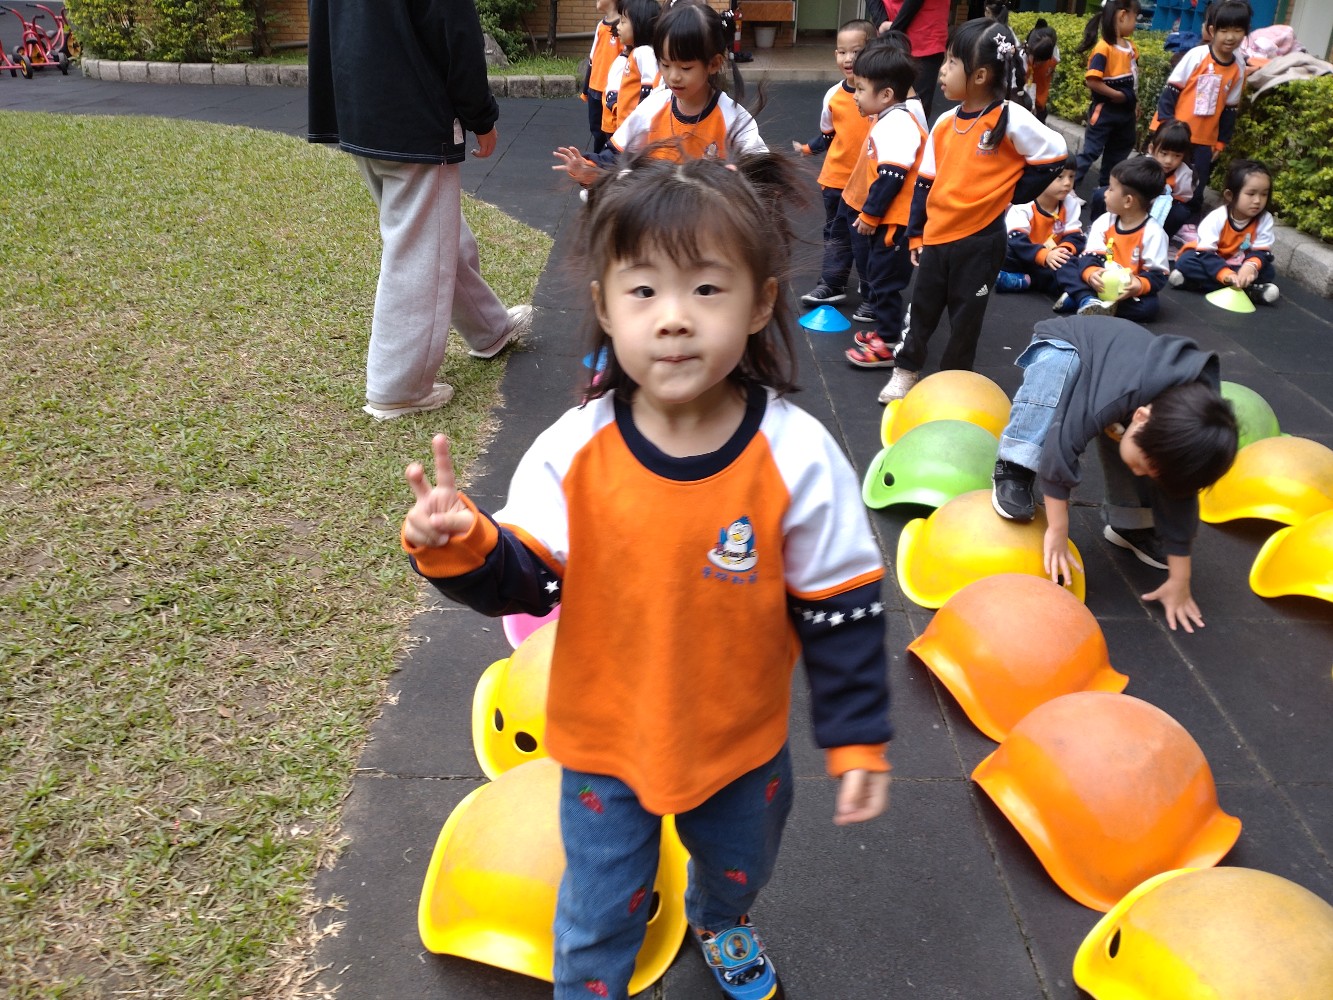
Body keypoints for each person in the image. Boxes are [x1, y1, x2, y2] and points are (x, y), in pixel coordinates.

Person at [399, 152, 892, 1000]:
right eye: (643, 291)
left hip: (740, 743)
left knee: (740, 866)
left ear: (759, 303)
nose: (673, 319)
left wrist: (854, 736)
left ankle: (720, 918)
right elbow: (527, 581)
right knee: (596, 911)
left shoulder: (798, 456)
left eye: (706, 289)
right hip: (606, 741)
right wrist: (461, 543)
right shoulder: (575, 448)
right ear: (604, 307)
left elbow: (840, 607)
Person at [307, 0, 532, 420]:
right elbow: (453, 28)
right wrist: (481, 116)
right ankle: (397, 388)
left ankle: (490, 329)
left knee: (434, 234)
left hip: (357, 104)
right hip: (413, 110)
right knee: (419, 248)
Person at [990, 316, 1238, 633]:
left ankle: (1131, 524)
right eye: (1143, 467)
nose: (1141, 473)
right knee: (1059, 371)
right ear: (1141, 417)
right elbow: (1061, 446)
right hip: (1071, 345)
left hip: (1124, 387)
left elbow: (1180, 496)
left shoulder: (1188, 428)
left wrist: (1180, 579)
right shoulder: (1118, 395)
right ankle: (1015, 465)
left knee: (1139, 453)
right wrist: (1058, 530)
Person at [878, 18, 1067, 403]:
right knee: (923, 309)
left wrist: (1013, 192)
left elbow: (1054, 154)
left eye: (951, 62)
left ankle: (953, 383)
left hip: (982, 241)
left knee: (966, 319)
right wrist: (916, 233)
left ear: (980, 75)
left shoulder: (1010, 118)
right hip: (938, 237)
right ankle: (906, 368)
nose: (941, 71)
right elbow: (925, 183)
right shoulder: (945, 123)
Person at [553, 2, 764, 185]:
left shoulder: (733, 118)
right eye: (665, 65)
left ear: (714, 64)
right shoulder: (652, 108)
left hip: (708, 216)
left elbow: (763, 170)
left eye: (685, 68)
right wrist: (588, 169)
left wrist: (741, 177)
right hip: (655, 213)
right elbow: (616, 155)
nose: (673, 77)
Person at [842, 45, 928, 369]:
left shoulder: (897, 125)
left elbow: (892, 176)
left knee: (884, 279)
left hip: (897, 221)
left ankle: (889, 341)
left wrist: (870, 214)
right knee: (880, 275)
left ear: (886, 94)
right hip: (894, 219)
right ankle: (885, 330)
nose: (855, 96)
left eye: (861, 89)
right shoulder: (889, 119)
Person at [794, 18, 877, 309]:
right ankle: (832, 282)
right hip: (836, 180)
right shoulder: (833, 95)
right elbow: (829, 135)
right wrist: (809, 148)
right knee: (836, 233)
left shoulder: (882, 96)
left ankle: (871, 290)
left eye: (856, 51)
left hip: (869, 183)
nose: (848, 58)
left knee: (867, 237)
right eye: (842, 52)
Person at [1151, 0, 1250, 225]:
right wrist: (1165, 128)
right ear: (1212, 30)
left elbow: (1230, 108)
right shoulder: (1197, 55)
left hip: (1205, 140)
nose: (1230, 37)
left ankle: (1186, 224)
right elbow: (1171, 91)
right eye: (1224, 30)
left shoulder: (1239, 66)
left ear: (1245, 32)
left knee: (1196, 184)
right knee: (1159, 177)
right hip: (1175, 134)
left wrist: (1221, 142)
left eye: (1237, 30)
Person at [1054, 155, 1169, 321]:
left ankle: (1081, 298)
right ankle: (1087, 299)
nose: (1105, 193)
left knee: (1149, 307)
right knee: (1066, 262)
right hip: (1098, 280)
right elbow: (1091, 254)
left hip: (1123, 291)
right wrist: (1091, 273)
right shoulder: (1105, 221)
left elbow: (1158, 274)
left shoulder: (1153, 233)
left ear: (1128, 201)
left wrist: (1138, 285)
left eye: (1111, 189)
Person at [1170, 158, 1279, 303]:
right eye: (1251, 194)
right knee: (1185, 262)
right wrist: (1225, 274)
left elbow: (1261, 251)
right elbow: (1205, 253)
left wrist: (1250, 267)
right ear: (1230, 195)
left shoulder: (1265, 219)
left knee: (1268, 271)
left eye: (1264, 194)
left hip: (1239, 263)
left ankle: (1196, 284)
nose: (1258, 201)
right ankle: (1249, 290)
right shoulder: (1217, 218)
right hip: (1210, 259)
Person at [996, 154, 1085, 297]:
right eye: (1060, 177)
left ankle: (1026, 281)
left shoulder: (1070, 204)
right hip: (1024, 255)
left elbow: (1075, 236)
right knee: (1005, 251)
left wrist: (1062, 251)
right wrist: (1043, 255)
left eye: (1071, 176)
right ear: (1041, 178)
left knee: (1073, 260)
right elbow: (1016, 239)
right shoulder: (1024, 203)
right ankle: (1042, 283)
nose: (1068, 183)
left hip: (1051, 258)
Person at [1073, 0, 1141, 188]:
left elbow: (1135, 79)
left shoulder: (1131, 48)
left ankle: (1105, 191)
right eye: (1135, 17)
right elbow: (1092, 80)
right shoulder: (1104, 48)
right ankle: (1068, 186)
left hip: (1126, 113)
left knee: (1118, 155)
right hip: (1105, 111)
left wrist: (1135, 103)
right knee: (1091, 151)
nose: (1136, 23)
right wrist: (1116, 95)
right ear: (1123, 16)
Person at [1091, 119, 1196, 241]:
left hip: (1159, 210)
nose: (1169, 161)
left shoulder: (1184, 174)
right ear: (1152, 148)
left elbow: (1182, 198)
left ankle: (1162, 240)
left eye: (1177, 156)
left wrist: (1165, 201)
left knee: (1180, 212)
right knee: (1100, 195)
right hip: (1133, 201)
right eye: (1164, 153)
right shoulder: (1143, 164)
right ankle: (1097, 231)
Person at [865, 0, 951, 120]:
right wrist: (881, 22)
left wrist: (893, 31)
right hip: (891, 34)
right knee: (881, 104)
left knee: (915, 111)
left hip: (923, 37)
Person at [602, 0, 661, 136]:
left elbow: (649, 90)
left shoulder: (644, 52)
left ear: (639, 24)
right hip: (627, 128)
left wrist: (639, 122)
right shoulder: (636, 52)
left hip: (633, 131)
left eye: (623, 22)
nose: (618, 26)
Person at [584, 0, 623, 154]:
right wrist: (586, 88)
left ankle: (608, 161)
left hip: (611, 92)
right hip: (595, 88)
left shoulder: (623, 27)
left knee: (611, 131)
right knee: (596, 130)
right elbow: (592, 57)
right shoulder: (600, 25)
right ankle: (597, 159)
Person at [1024, 18, 1060, 124]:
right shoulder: (1020, 59)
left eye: (1041, 62)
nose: (1037, 64)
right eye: (1035, 60)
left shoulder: (1054, 58)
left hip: (1039, 107)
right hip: (1021, 106)